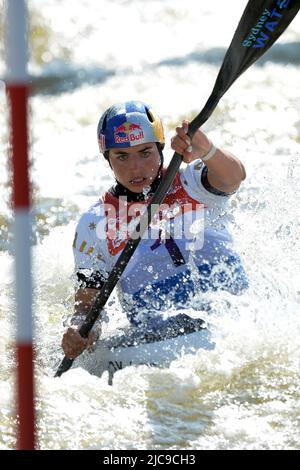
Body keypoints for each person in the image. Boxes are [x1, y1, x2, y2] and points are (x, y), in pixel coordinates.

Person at [62, 100, 248, 359]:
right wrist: (81, 330)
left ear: (160, 149)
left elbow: (234, 177)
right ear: (108, 159)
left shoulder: (192, 180)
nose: (136, 168)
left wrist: (206, 149)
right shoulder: (94, 224)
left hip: (236, 318)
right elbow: (87, 305)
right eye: (122, 156)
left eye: (145, 152)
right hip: (157, 342)